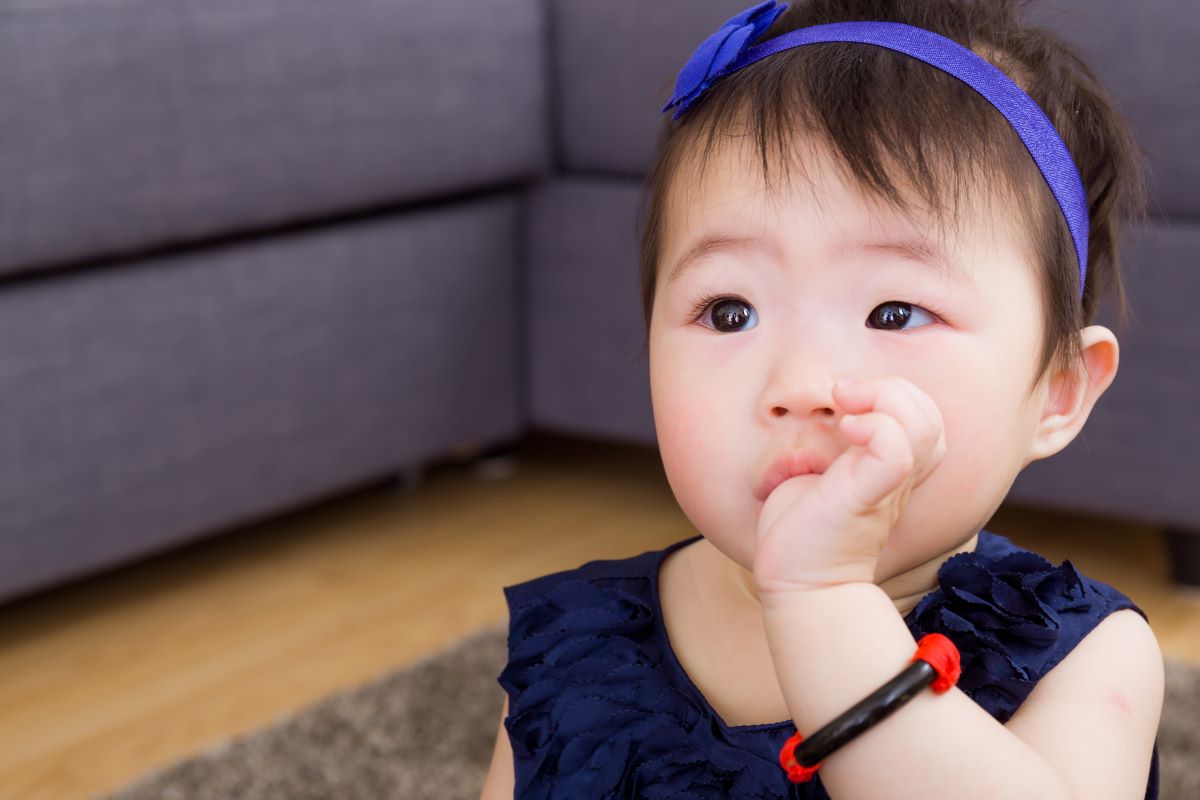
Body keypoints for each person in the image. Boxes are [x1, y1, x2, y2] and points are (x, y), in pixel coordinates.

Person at [480, 0, 1164, 796]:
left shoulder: (1084, 658)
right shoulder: (577, 643)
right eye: (729, 312)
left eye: (895, 312)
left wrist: (825, 605)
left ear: (1057, 392)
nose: (800, 384)